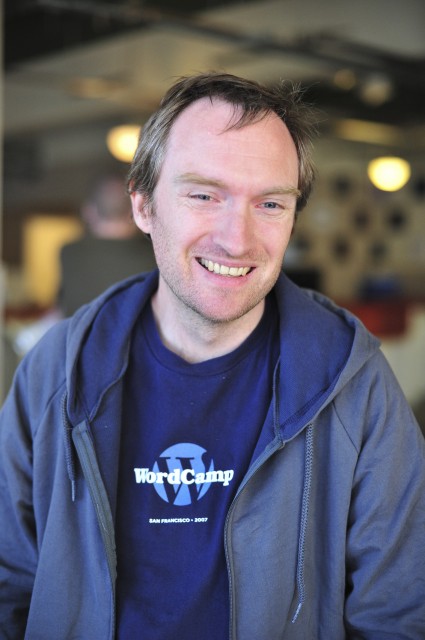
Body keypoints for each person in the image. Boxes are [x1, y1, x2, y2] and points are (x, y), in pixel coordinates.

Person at [0, 72, 424, 640]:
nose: (237, 239)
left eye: (270, 203)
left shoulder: (354, 381)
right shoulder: (56, 371)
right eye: (204, 195)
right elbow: (8, 585)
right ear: (143, 205)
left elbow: (400, 613)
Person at [57, 172, 157, 316]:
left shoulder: (70, 254)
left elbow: (61, 307)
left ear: (88, 212)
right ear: (134, 210)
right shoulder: (154, 253)